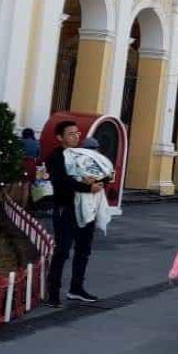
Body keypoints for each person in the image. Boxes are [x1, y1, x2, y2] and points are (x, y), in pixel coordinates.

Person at [45, 121, 104, 307]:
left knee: (83, 250)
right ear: (60, 137)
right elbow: (62, 182)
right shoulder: (56, 156)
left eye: (78, 133)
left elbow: (98, 171)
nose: (76, 137)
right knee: (62, 251)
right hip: (66, 209)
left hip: (86, 209)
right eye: (71, 134)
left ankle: (76, 289)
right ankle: (52, 293)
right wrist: (87, 187)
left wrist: (98, 180)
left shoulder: (81, 154)